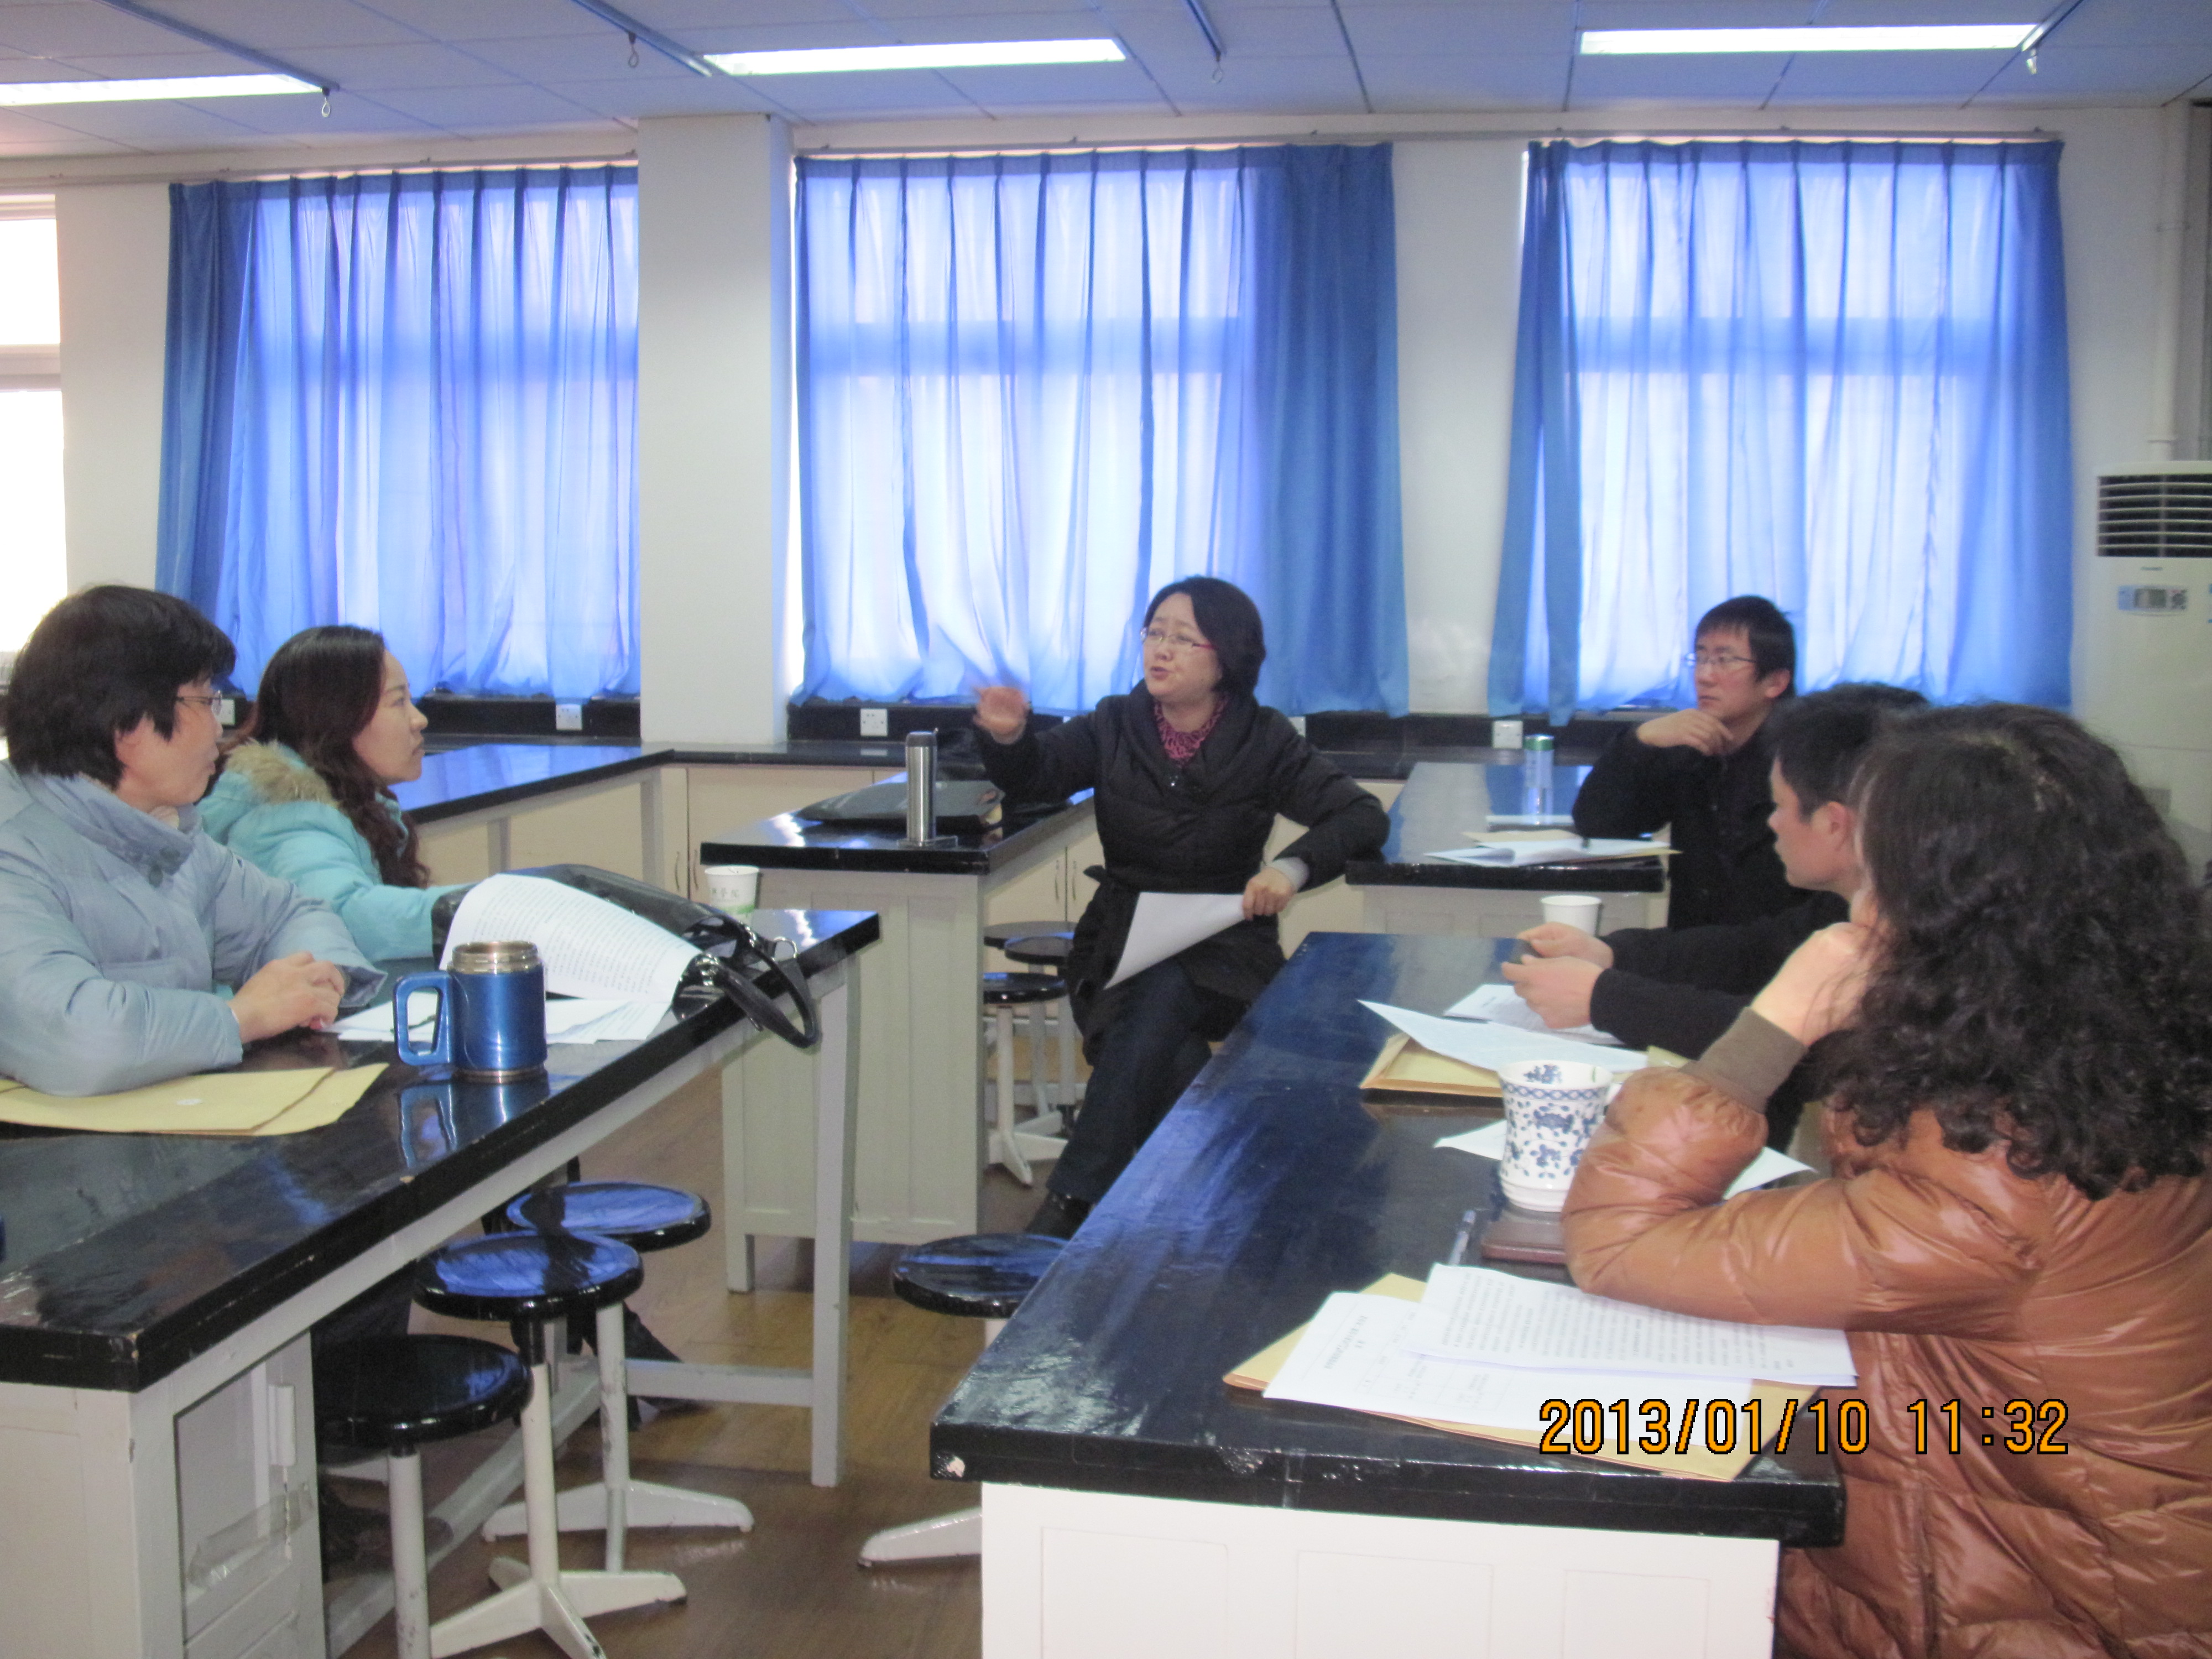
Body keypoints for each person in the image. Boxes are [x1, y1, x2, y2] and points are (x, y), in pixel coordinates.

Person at [1563, 703, 2212, 1657]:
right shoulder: (2097, 1065)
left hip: (2045, 1604)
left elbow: (1617, 1240)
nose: (1855, 914)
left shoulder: (1998, 1171)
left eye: (1873, 883)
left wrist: (1780, 1018)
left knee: (1590, 1480)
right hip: (1997, 1480)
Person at [974, 577, 1389, 1237]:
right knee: (1171, 1050)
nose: (1160, 650)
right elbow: (1038, 776)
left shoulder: (1263, 738)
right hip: (1120, 940)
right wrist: (1009, 738)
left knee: (1162, 997)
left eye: (1182, 638)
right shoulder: (1115, 722)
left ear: (1226, 656)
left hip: (1226, 946)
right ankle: (1218, 1213)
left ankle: (1070, 1207)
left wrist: (1289, 869)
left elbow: (1360, 815)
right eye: (1154, 633)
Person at [1505, 684, 1925, 1148]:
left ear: (1834, 823)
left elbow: (1807, 1050)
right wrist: (1610, 954)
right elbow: (1757, 949)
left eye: (1780, 807)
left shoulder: (1920, 930)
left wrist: (1604, 998)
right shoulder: (1865, 898)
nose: (1773, 823)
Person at [0, 587, 379, 1096]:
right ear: (127, 723)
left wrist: (315, 980)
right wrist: (239, 1018)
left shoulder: (166, 831)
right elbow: (75, 1038)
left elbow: (290, 915)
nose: (219, 729)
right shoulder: (13, 849)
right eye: (205, 701)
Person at [201, 625, 465, 962]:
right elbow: (340, 916)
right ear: (337, 715)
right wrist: (486, 908)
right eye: (398, 701)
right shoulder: (285, 814)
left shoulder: (352, 801)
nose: (419, 720)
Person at [1571, 595, 1800, 928]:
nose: (1705, 676)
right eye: (1700, 658)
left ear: (1775, 681)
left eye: (1725, 660)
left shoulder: (1800, 762)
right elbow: (1599, 825)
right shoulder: (1690, 750)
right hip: (1693, 946)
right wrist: (1638, 741)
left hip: (1780, 949)